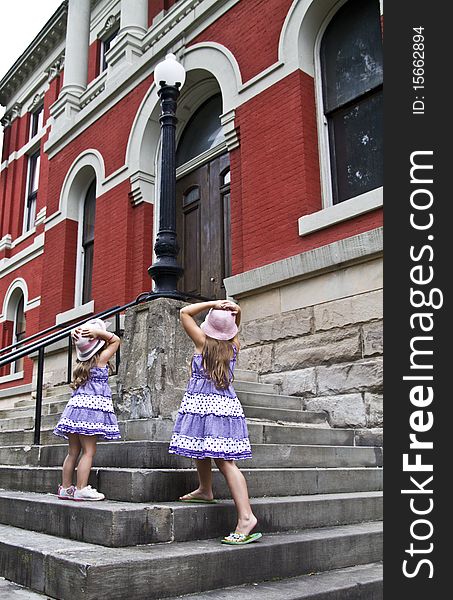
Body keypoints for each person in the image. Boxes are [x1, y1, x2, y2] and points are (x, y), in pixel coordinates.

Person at [169, 300, 262, 545]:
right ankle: (205, 489)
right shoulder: (233, 346)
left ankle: (246, 517)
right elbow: (234, 329)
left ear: (208, 327)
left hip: (204, 405)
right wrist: (236, 311)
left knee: (225, 462)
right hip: (223, 406)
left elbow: (184, 312)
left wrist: (213, 304)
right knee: (201, 446)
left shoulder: (202, 343)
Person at [53, 318, 121, 501]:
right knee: (89, 451)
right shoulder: (101, 361)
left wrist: (76, 335)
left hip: (75, 410)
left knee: (72, 452)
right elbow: (116, 340)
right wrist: (99, 333)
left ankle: (66, 488)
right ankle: (81, 488)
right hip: (90, 412)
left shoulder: (81, 365)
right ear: (99, 344)